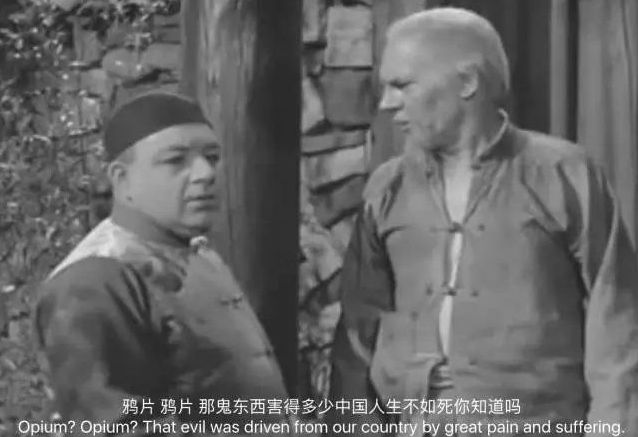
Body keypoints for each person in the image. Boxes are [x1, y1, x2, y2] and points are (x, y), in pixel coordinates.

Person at [327, 7, 638, 437]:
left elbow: (618, 327)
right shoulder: (387, 188)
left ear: (468, 82)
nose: (387, 104)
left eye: (402, 85)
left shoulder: (565, 175)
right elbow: (356, 341)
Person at [34, 92, 290, 436]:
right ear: (122, 179)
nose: (205, 173)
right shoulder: (96, 280)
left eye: (212, 157)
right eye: (175, 160)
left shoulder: (197, 253)